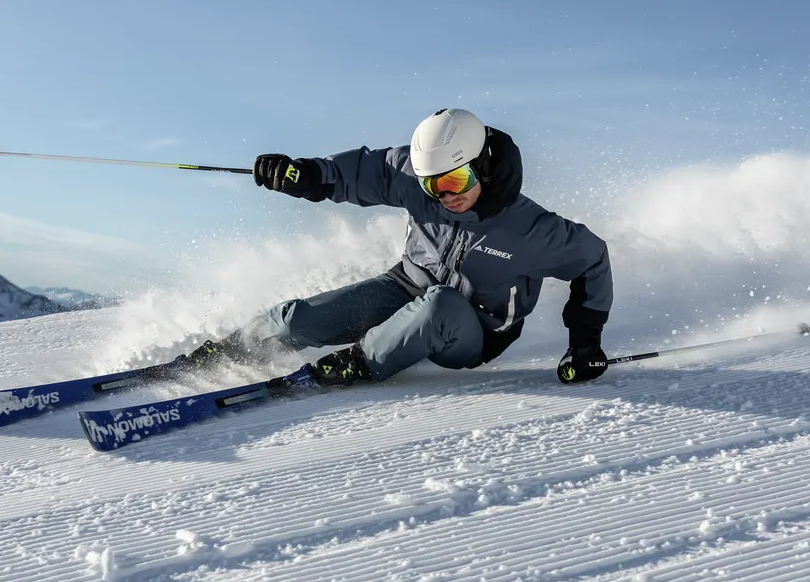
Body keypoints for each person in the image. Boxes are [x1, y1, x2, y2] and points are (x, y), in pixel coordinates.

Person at [185, 108, 612, 386]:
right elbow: (355, 174)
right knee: (295, 321)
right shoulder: (419, 178)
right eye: (432, 186)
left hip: (474, 331)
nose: (445, 196)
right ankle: (228, 347)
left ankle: (355, 364)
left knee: (439, 306)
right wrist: (303, 176)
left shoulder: (531, 229)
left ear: (482, 165)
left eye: (455, 182)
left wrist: (585, 342)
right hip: (405, 286)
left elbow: (593, 260)